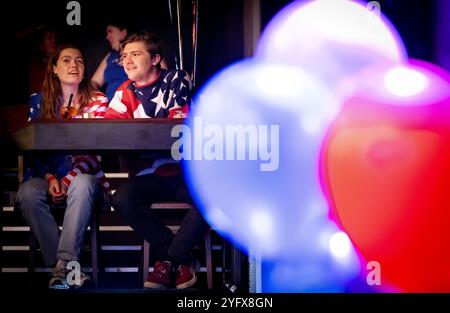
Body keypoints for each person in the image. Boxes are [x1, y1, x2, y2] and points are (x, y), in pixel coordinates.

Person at [104, 31, 209, 289]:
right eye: (124, 56)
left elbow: (176, 127)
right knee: (121, 198)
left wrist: (137, 133)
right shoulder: (123, 92)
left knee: (213, 198)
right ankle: (181, 260)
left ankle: (167, 262)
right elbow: (109, 132)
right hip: (147, 176)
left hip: (186, 173)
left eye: (135, 54)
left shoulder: (176, 78)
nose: (127, 61)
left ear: (155, 59)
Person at [15, 44, 110, 289]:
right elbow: (33, 147)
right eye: (66, 60)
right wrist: (49, 176)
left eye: (79, 60)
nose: (74, 65)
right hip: (45, 173)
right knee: (27, 193)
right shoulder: (38, 101)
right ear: (55, 69)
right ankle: (66, 266)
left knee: (82, 182)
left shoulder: (98, 100)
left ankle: (65, 264)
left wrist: (66, 179)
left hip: (83, 176)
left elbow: (94, 151)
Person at [91, 20, 129, 103]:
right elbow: (94, 81)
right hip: (110, 107)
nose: (107, 37)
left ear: (123, 33)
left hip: (132, 106)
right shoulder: (111, 56)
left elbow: (163, 74)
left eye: (110, 31)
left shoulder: (141, 51)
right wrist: (96, 97)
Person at [28, 28, 58, 94]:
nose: (54, 40)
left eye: (55, 37)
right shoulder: (37, 66)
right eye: (49, 38)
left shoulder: (62, 61)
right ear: (41, 44)